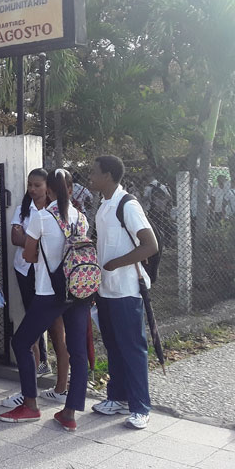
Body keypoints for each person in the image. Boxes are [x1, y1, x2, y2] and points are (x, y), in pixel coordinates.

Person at [0, 168, 90, 431]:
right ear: (70, 190)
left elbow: (28, 256)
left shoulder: (42, 217)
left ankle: (30, 404)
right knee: (78, 351)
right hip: (78, 291)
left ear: (49, 190)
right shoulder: (81, 218)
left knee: (21, 341)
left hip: (49, 292)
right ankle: (70, 413)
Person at [87, 155, 159, 430]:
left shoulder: (127, 204)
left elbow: (150, 245)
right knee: (114, 347)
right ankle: (117, 398)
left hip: (126, 291)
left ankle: (140, 408)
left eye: (94, 172)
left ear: (108, 175)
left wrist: (116, 263)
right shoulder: (104, 205)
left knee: (132, 349)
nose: (90, 176)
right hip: (106, 290)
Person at [3, 169, 49, 408]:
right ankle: (38, 363)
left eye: (37, 185)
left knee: (43, 318)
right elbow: (15, 238)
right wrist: (34, 241)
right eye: (30, 184)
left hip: (45, 272)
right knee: (30, 314)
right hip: (24, 269)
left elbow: (45, 242)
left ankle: (43, 363)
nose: (32, 189)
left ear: (47, 186)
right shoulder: (23, 209)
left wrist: (28, 240)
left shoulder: (52, 209)